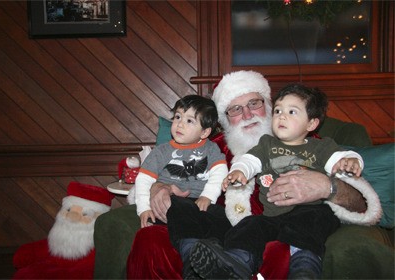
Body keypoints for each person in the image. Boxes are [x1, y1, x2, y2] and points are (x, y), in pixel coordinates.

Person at [93, 70, 379, 279]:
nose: (248, 114)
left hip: (286, 226)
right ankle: (201, 260)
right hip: (219, 226)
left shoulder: (311, 143)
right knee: (151, 239)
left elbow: (364, 204)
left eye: (255, 103)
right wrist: (158, 188)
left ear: (268, 107)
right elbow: (163, 172)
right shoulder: (209, 147)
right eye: (235, 109)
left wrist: (327, 186)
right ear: (223, 120)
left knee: (292, 238)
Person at [188, 84, 364, 279]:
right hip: (273, 216)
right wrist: (239, 171)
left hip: (309, 209)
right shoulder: (266, 144)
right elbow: (250, 161)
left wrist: (351, 160)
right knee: (250, 225)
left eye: (291, 112)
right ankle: (237, 263)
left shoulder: (320, 146)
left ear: (311, 124)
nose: (282, 116)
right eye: (279, 111)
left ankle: (304, 268)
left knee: (316, 220)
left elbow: (341, 159)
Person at [133, 95, 229, 277]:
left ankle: (218, 256)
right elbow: (143, 180)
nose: (180, 124)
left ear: (204, 132)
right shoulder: (162, 151)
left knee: (221, 216)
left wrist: (207, 196)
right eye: (177, 117)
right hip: (170, 203)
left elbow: (220, 172)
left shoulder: (210, 149)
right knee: (178, 206)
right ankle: (191, 259)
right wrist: (144, 208)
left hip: (199, 204)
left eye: (189, 121)